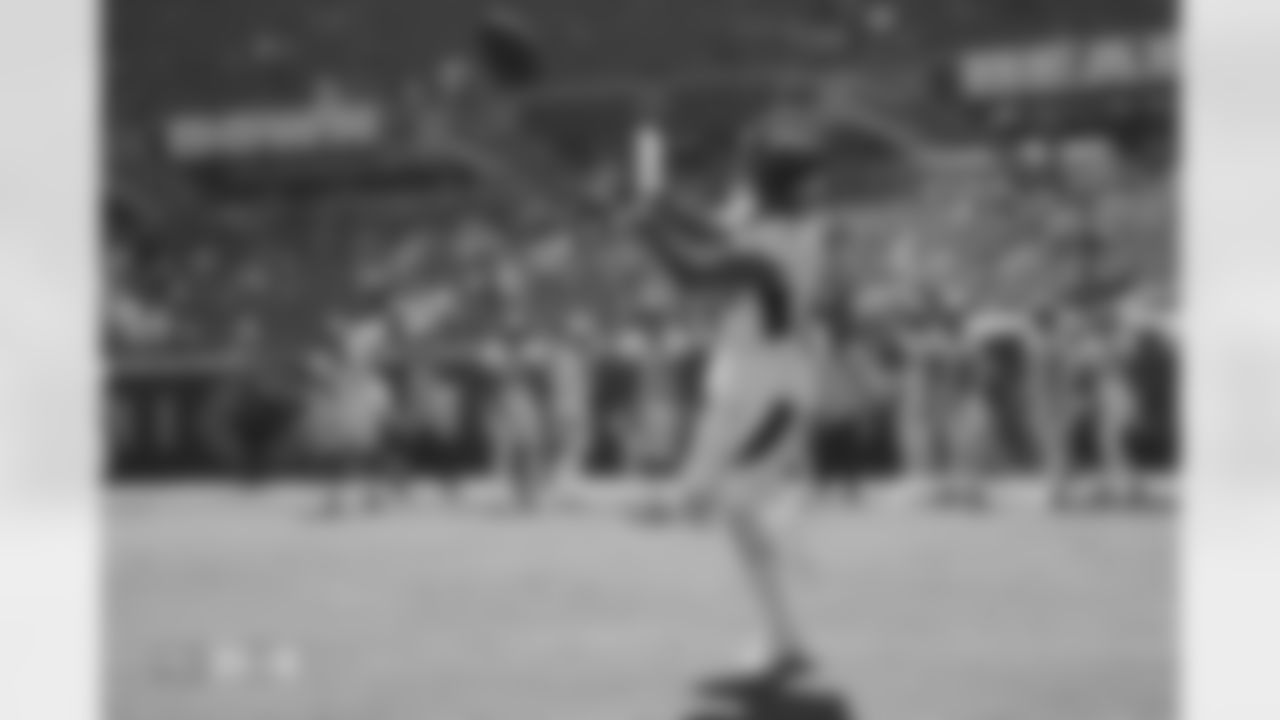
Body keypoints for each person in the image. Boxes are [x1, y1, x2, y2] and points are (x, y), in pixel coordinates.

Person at [628, 113, 836, 691]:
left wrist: (648, 232)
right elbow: (722, 229)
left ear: (767, 183)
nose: (743, 178)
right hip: (761, 376)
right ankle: (784, 641)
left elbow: (695, 275)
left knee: (738, 506)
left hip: (774, 386)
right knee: (731, 506)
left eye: (753, 171)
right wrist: (665, 207)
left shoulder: (776, 244)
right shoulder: (791, 222)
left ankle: (786, 643)